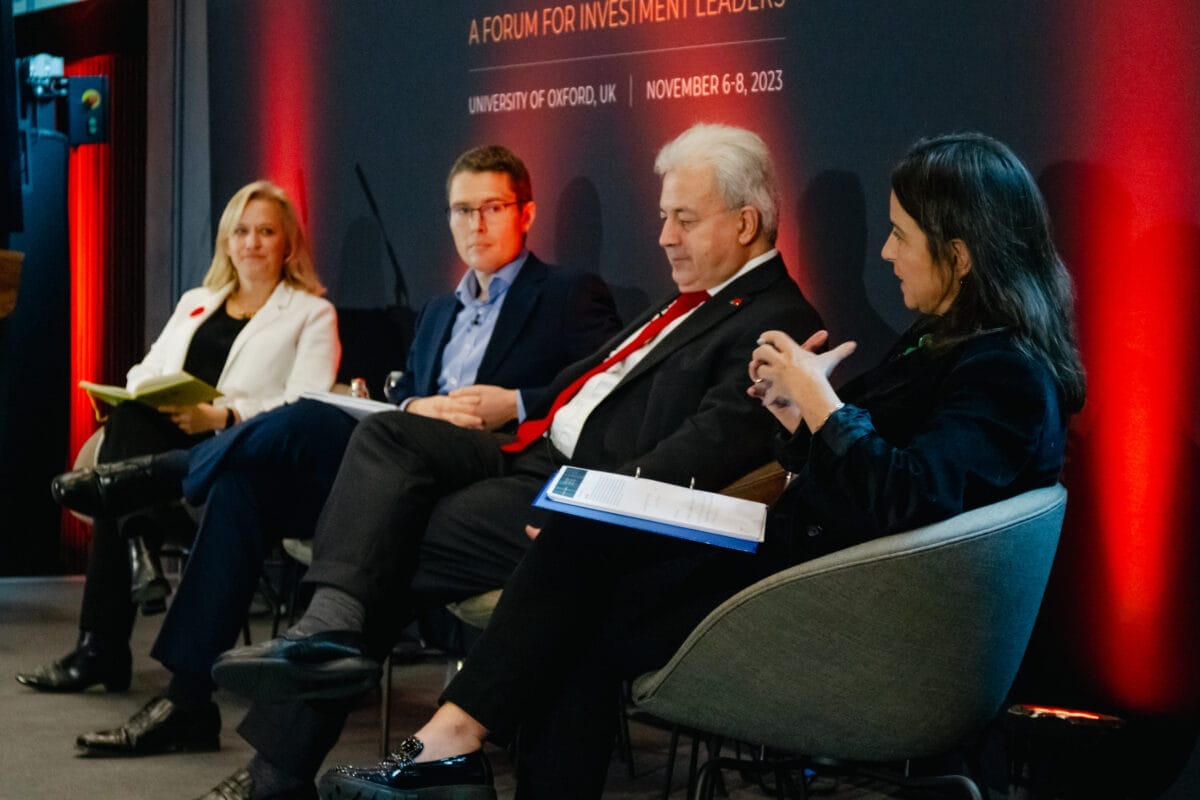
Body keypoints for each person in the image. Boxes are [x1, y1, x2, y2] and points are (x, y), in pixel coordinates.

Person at [307, 132, 1087, 800]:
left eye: (899, 235)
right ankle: (447, 746)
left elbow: (907, 497)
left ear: (958, 255)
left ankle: (446, 744)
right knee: (578, 577)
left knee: (575, 584)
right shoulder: (941, 343)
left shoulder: (1005, 372)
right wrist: (799, 425)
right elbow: (872, 477)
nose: (884, 253)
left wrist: (823, 407)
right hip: (808, 562)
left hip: (842, 606)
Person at [195, 122, 824, 799]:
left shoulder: (777, 322)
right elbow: (591, 388)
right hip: (528, 453)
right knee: (387, 436)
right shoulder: (694, 300)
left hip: (586, 499)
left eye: (684, 219)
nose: (666, 236)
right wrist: (515, 404)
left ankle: (292, 751)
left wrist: (589, 507)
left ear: (745, 223)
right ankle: (332, 636)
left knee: (384, 538)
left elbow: (707, 448)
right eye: (664, 216)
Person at [49, 144, 623, 759]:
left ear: (526, 213)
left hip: (487, 472)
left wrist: (516, 402)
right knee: (246, 487)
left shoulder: (567, 293)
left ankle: (168, 473)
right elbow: (410, 397)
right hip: (400, 469)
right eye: (463, 210)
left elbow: (609, 389)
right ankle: (187, 700)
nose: (476, 225)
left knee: (308, 412)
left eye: (493, 208)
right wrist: (412, 406)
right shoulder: (438, 311)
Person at [15, 180, 340, 696]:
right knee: (130, 421)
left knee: (117, 488)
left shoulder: (311, 312)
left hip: (237, 456)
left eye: (266, 232)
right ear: (226, 241)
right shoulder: (197, 301)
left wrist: (224, 416)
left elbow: (307, 407)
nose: (252, 242)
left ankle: (101, 645)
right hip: (164, 446)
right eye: (241, 231)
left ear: (287, 244)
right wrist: (160, 398)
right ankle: (137, 551)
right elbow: (146, 370)